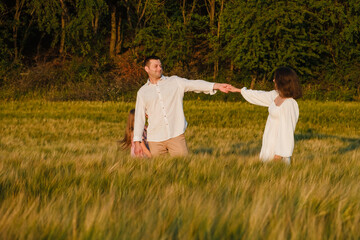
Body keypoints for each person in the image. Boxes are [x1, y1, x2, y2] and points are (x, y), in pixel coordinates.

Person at [133, 56, 232, 157]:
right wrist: (137, 143)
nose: (159, 68)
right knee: (159, 171)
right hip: (155, 139)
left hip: (176, 135)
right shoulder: (142, 92)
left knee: (182, 167)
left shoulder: (174, 82)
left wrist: (217, 85)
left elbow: (194, 84)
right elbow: (139, 118)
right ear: (147, 69)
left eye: (160, 66)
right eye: (156, 66)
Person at [228, 67, 302, 164]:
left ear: (282, 81)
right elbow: (259, 95)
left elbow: (287, 131)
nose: (273, 80)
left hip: (278, 152)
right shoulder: (276, 95)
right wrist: (238, 90)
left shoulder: (290, 104)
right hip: (268, 144)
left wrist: (279, 155)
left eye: (276, 78)